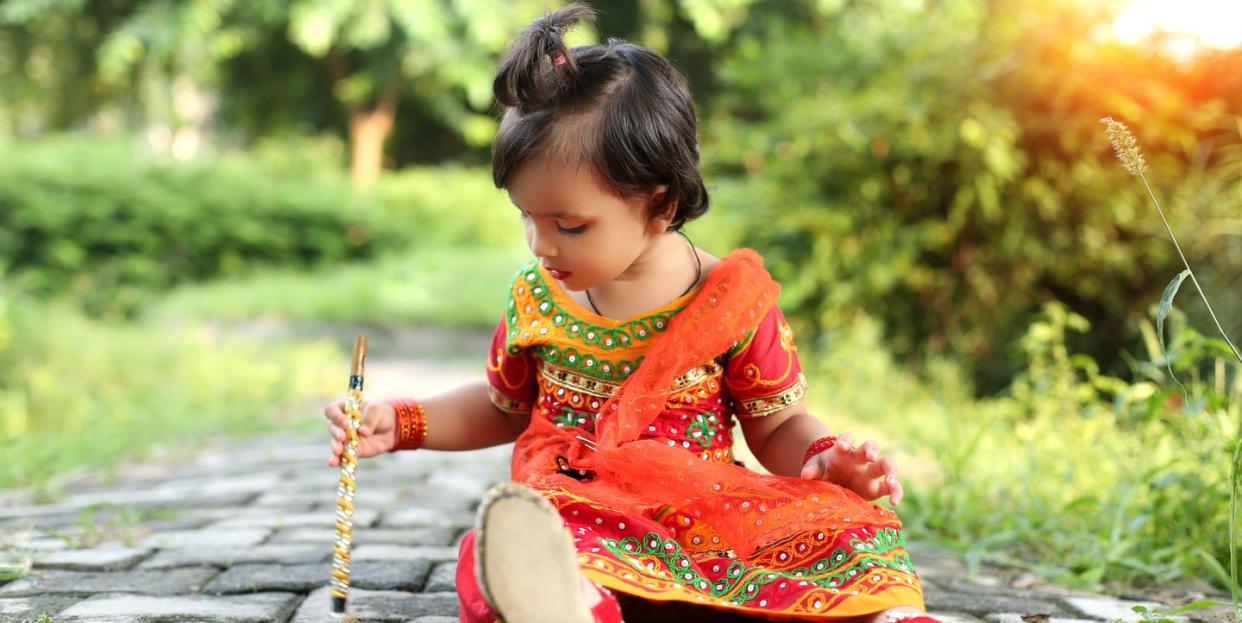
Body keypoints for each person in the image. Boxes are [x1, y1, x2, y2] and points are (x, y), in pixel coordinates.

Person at [324, 4, 943, 622]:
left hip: (702, 520)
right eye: (527, 218)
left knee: (853, 529)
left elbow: (777, 426)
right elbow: (499, 407)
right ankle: (569, 604)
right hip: (575, 514)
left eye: (569, 225)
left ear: (660, 204)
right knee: (504, 552)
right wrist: (400, 422)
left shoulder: (730, 300)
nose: (541, 246)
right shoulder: (536, 299)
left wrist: (822, 462)